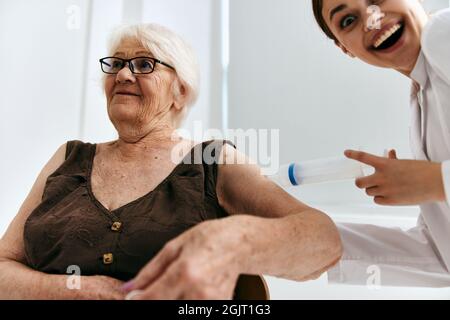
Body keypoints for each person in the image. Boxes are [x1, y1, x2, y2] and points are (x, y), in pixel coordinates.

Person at [0, 23, 342, 299]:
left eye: (144, 64)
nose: (123, 75)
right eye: (116, 64)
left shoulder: (212, 160)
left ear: (180, 91)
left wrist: (232, 241)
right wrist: (75, 292)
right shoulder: (68, 157)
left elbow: (323, 240)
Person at [312, 0, 450, 286]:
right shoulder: (423, 100)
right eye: (348, 20)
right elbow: (441, 250)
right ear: (345, 48)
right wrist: (312, 239)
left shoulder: (442, 32)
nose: (372, 20)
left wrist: (435, 181)